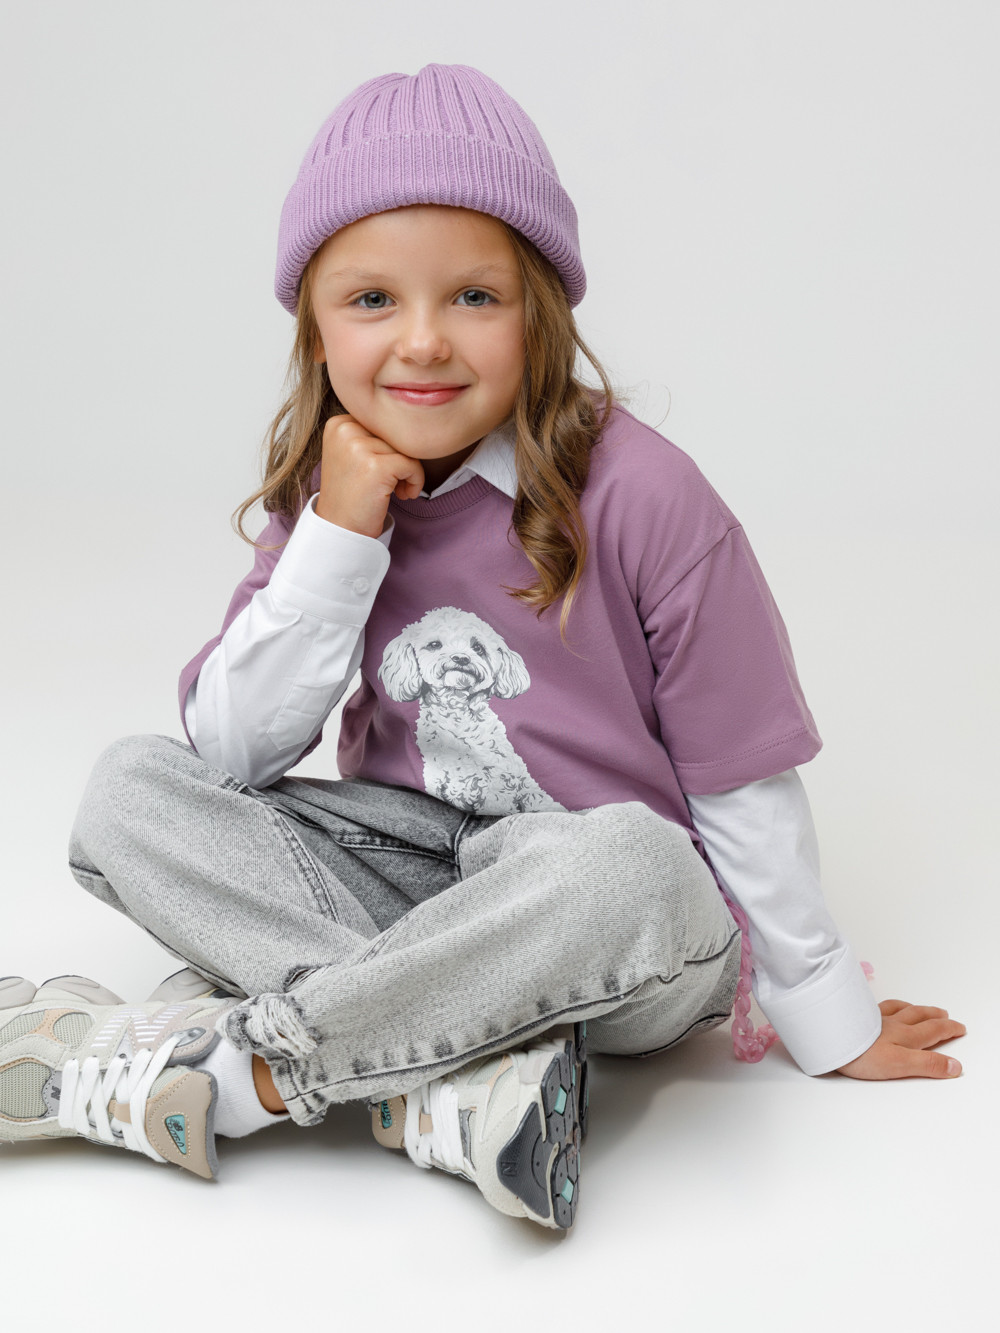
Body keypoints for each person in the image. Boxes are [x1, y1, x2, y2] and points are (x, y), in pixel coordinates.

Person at [0, 64, 965, 1229]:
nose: (422, 343)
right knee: (128, 790)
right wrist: (339, 536)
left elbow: (739, 779)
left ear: (538, 308)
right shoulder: (330, 491)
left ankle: (247, 1074)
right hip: (420, 880)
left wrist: (820, 1005)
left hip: (606, 914)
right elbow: (232, 756)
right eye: (371, 300)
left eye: (472, 296)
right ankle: (458, 1077)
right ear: (314, 324)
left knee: (635, 861)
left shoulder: (645, 492)